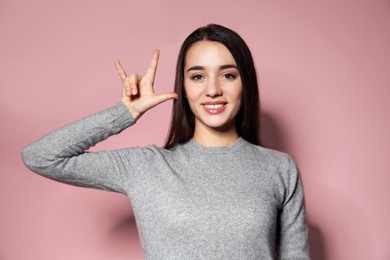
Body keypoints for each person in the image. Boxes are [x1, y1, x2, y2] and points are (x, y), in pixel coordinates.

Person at [22, 24, 309, 259]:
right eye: (198, 76)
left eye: (228, 75)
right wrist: (126, 112)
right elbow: (41, 156)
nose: (212, 89)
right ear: (183, 87)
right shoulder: (146, 166)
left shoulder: (279, 169)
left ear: (244, 82)